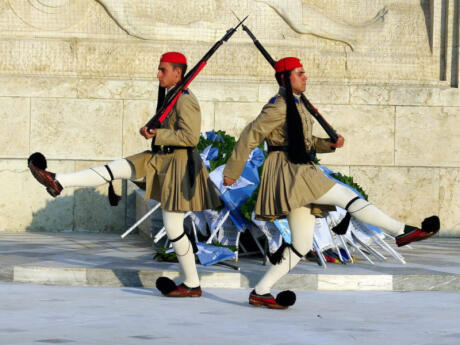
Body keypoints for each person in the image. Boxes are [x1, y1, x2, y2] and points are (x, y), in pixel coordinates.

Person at [223, 57, 440, 309]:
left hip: (299, 171)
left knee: (301, 245)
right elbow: (251, 135)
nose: (305, 77)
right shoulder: (278, 106)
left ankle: (260, 291)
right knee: (347, 197)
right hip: (290, 171)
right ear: (285, 78)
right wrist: (233, 170)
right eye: (300, 73)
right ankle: (401, 231)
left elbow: (305, 142)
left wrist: (328, 144)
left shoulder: (297, 105)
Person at [28, 51, 221, 298]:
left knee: (174, 228)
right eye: (159, 69)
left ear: (178, 73)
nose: (158, 74)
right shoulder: (172, 96)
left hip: (177, 166)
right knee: (114, 168)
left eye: (163, 70)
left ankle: (192, 284)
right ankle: (58, 180)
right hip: (159, 159)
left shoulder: (185, 100)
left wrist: (157, 134)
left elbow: (191, 137)